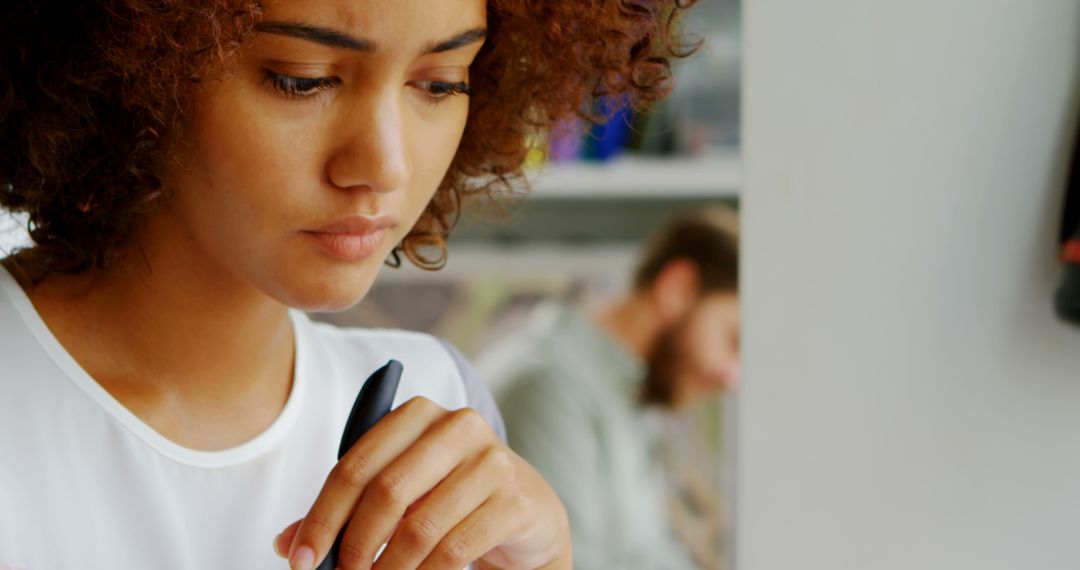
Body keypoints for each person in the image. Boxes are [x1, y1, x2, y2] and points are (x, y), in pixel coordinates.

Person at [0, 1, 697, 569]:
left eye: (440, 82)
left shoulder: (442, 413)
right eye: (302, 79)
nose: (385, 164)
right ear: (125, 67)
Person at [489, 208, 740, 569]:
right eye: (734, 340)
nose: (733, 376)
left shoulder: (631, 397)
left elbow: (647, 556)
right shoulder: (550, 388)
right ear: (678, 289)